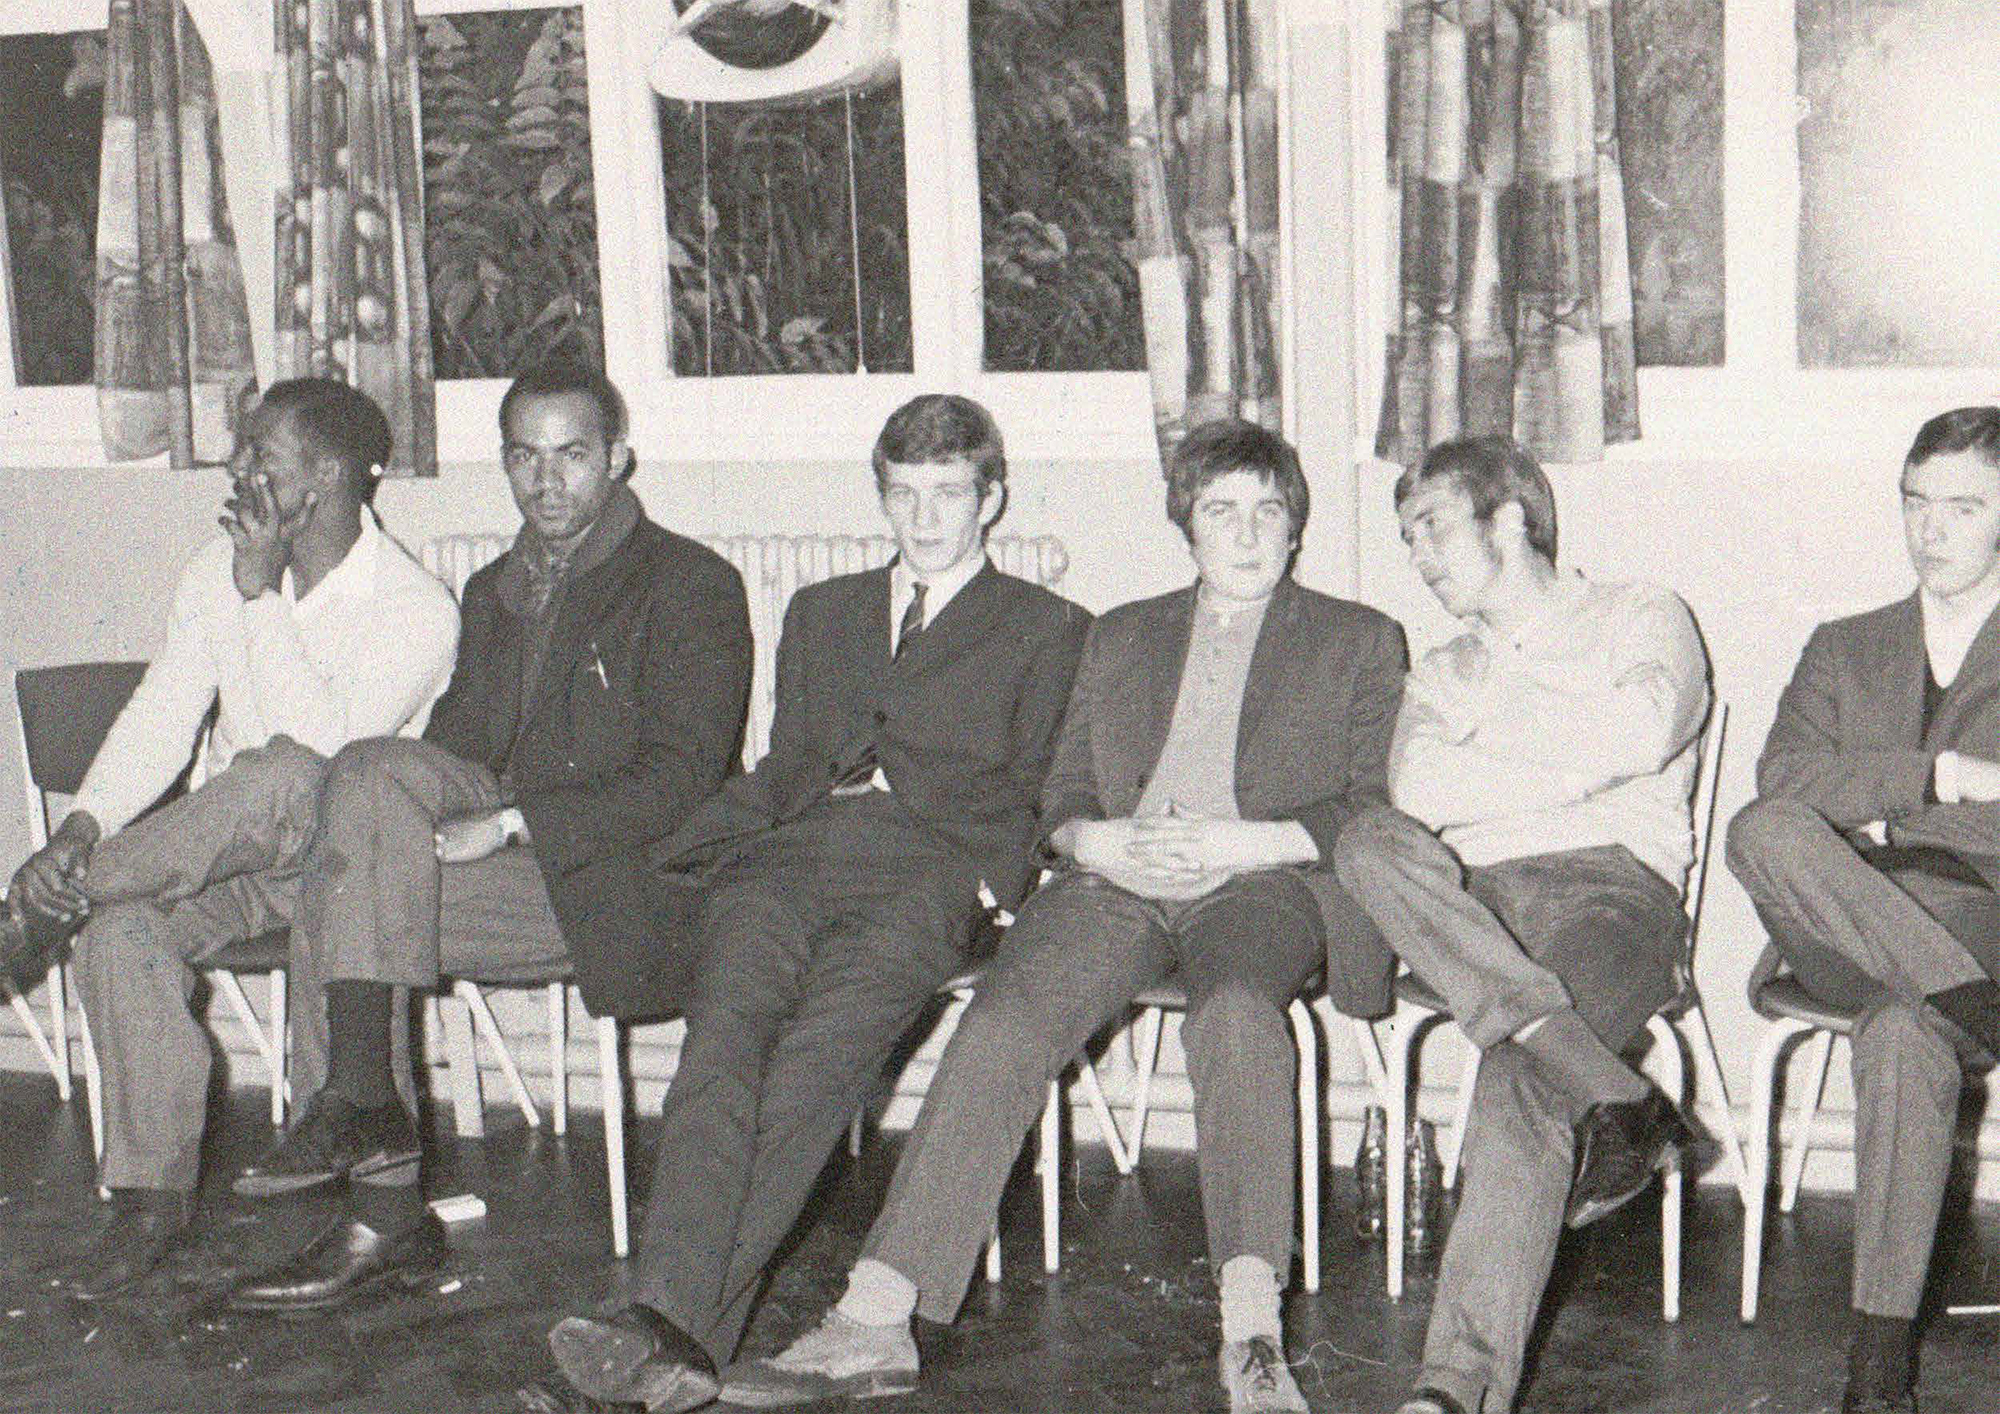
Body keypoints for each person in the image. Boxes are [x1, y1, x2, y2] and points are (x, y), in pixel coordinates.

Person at [713, 418, 1407, 1414]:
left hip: (1258, 884)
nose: (1245, 534)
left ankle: (1250, 1330)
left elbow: (1372, 805)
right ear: (1187, 526)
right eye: (1220, 510)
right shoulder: (1121, 633)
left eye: (1266, 512)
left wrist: (1237, 841)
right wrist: (1093, 841)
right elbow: (1062, 790)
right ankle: (876, 1314)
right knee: (1000, 1019)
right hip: (1113, 880)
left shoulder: (1355, 639)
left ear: (1295, 528)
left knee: (1236, 1014)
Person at [520, 393, 1091, 1414]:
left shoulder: (1047, 629)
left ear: (990, 500)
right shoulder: (819, 612)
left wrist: (981, 888)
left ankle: (663, 1329)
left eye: (948, 495)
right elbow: (786, 761)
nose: (924, 520)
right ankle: (672, 1341)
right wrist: (689, 848)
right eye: (904, 494)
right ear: (881, 496)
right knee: (717, 1051)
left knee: (815, 1067)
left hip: (929, 866)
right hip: (789, 853)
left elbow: (1040, 792)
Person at [221, 360, 754, 1312]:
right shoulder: (494, 586)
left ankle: (381, 1211)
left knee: (340, 893)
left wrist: (510, 822)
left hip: (616, 876)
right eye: (523, 457)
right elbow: (458, 745)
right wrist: (397, 824)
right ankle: (364, 1117)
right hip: (503, 870)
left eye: (572, 456)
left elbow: (685, 774)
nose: (546, 482)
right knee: (366, 783)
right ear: (504, 464)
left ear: (619, 460)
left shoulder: (689, 583)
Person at [0, 378, 460, 1300]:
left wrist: (261, 597)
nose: (236, 470)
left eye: (260, 457)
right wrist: (80, 826)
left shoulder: (415, 605)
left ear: (326, 478)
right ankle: (149, 1208)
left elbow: (325, 762)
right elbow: (164, 714)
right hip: (231, 851)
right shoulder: (214, 570)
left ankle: (43, 908)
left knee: (284, 770)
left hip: (346, 868)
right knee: (122, 932)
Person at [1333, 434, 1710, 1414]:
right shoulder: (1440, 664)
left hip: (1610, 893)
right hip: (1474, 899)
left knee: (1516, 1070)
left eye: (1432, 528)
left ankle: (1453, 1388)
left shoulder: (1641, 612)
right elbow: (1415, 787)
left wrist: (1500, 739)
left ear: (1507, 519)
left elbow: (1642, 732)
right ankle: (1615, 1092)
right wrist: (1584, 754)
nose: (1417, 556)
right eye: (1405, 535)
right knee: (1367, 841)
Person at [1727, 407, 2000, 1414]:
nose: (1930, 530)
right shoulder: (1841, 645)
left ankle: (1874, 1366)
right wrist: (1948, 780)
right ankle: (1975, 1005)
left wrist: (1881, 818)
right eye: (1914, 502)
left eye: (1962, 507)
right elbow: (1784, 782)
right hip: (1836, 915)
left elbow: (1838, 796)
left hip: (1978, 916)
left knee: (1897, 1035)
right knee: (1759, 828)